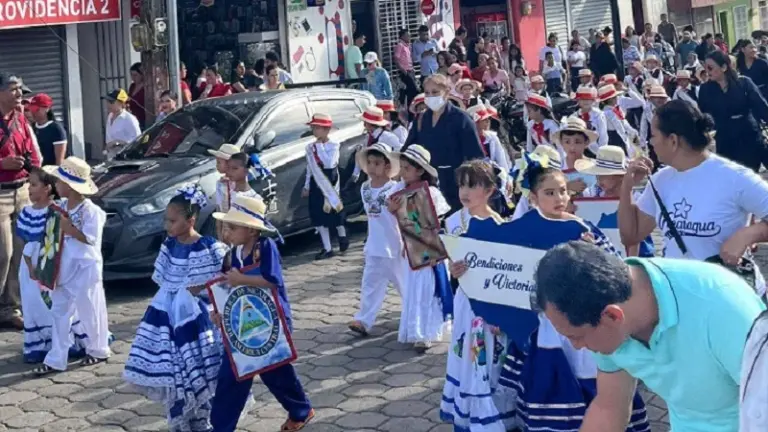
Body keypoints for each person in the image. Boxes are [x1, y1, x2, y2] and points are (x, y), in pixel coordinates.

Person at [455, 158, 650, 432]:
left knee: (590, 375)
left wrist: (592, 253)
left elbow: (615, 267)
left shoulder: (582, 228)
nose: (559, 198)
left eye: (563, 190)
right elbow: (498, 272)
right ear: (533, 198)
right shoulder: (522, 229)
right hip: (548, 327)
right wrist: (466, 268)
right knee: (550, 379)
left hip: (585, 321)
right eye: (550, 192)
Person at [535, 241, 765, 431]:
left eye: (577, 336)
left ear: (612, 316)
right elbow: (609, 407)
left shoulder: (724, 309)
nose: (577, 347)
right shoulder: (602, 307)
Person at [618, 99, 768, 293]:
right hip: (681, 296)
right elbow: (631, 235)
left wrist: (749, 234)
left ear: (673, 140)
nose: (650, 142)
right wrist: (626, 187)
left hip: (730, 296)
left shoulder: (734, 177)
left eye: (653, 135)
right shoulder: (661, 180)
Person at [123, 183, 226, 430]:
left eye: (172, 221)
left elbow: (214, 282)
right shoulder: (169, 246)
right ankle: (181, 419)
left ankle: (206, 419)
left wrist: (195, 296)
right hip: (167, 319)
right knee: (174, 369)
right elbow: (164, 280)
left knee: (198, 366)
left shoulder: (208, 246)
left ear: (190, 220)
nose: (167, 226)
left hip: (196, 320)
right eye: (166, 221)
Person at [209, 195, 314, 432]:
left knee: (275, 373)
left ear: (252, 231)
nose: (228, 232)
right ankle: (221, 427)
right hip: (240, 327)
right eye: (227, 227)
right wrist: (218, 314)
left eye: (233, 227)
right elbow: (223, 289)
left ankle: (301, 410)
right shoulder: (230, 256)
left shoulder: (265, 248)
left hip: (271, 322)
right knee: (233, 375)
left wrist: (242, 279)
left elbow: (273, 281)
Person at [439, 160, 513, 431]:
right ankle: (469, 413)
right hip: (465, 302)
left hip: (489, 305)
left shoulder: (500, 225)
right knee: (465, 353)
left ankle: (492, 416)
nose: (465, 191)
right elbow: (451, 263)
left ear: (490, 190)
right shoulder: (452, 221)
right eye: (461, 184)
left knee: (489, 357)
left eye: (473, 185)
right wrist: (454, 270)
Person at [34, 157, 110, 375]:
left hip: (84, 267)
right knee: (59, 311)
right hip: (62, 266)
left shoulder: (91, 211)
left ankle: (98, 348)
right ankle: (57, 357)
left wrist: (69, 228)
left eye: (59, 182)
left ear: (70, 185)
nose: (56, 185)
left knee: (89, 307)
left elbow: (91, 238)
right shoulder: (59, 207)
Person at [387, 145, 452, 352]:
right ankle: (416, 329)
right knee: (415, 288)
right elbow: (395, 216)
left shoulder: (431, 192)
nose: (403, 172)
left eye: (407, 168)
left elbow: (437, 220)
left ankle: (429, 332)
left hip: (430, 247)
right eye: (402, 167)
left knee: (429, 288)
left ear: (420, 170)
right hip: (411, 247)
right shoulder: (397, 191)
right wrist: (393, 210)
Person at [18, 168, 85, 363]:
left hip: (53, 262)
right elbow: (24, 242)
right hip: (30, 265)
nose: (29, 189)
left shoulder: (57, 211)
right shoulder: (26, 212)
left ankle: (65, 340)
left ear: (48, 188)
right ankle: (39, 343)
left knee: (56, 302)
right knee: (33, 302)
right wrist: (30, 267)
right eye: (28, 184)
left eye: (34, 184)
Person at [403, 74, 484, 211]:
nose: (430, 96)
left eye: (435, 92)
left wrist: (469, 185)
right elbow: (408, 149)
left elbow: (475, 156)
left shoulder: (461, 119)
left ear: (446, 92)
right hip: (427, 185)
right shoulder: (421, 119)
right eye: (427, 93)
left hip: (455, 185)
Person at [347, 143, 403, 336]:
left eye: (377, 163)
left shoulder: (395, 189)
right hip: (374, 245)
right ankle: (364, 320)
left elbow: (403, 218)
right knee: (370, 284)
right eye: (369, 163)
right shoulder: (365, 188)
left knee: (405, 285)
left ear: (388, 166)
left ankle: (417, 318)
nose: (372, 167)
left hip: (395, 246)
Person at [0, 73, 39, 331]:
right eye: (13, 89)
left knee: (21, 253)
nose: (19, 94)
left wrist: (35, 170)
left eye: (19, 90)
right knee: (3, 253)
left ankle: (10, 308)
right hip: (0, 193)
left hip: (22, 191)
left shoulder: (22, 119)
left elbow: (35, 153)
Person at [575, 147, 655, 257]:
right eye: (598, 175)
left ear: (620, 176)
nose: (599, 179)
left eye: (604, 175)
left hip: (640, 254)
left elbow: (635, 236)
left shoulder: (636, 198)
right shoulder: (593, 193)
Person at [698, 51, 768, 172]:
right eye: (705, 67)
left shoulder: (744, 83)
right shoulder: (705, 89)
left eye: (710, 67)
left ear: (724, 67)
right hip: (725, 137)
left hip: (748, 133)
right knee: (730, 175)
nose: (707, 71)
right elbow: (704, 115)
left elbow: (762, 107)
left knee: (750, 174)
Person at [302, 114, 349, 259]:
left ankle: (343, 237)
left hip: (330, 183)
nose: (314, 131)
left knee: (335, 211)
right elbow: (310, 168)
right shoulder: (310, 147)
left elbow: (329, 164)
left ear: (327, 130)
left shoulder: (334, 145)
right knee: (319, 216)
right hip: (317, 184)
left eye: (317, 128)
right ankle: (327, 248)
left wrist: (320, 147)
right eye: (313, 128)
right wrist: (307, 186)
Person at [352, 106, 402, 181]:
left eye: (365, 123)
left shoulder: (388, 137)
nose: (364, 125)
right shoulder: (368, 137)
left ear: (370, 124)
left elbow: (399, 151)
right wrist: (356, 173)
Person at [598, 84, 643, 156]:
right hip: (617, 139)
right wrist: (630, 140)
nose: (617, 98)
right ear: (610, 99)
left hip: (616, 138)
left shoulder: (612, 110)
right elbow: (620, 128)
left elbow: (623, 123)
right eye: (615, 97)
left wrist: (633, 133)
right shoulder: (609, 113)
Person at [468, 104, 510, 173]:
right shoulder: (468, 139)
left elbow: (501, 159)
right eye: (484, 119)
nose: (488, 121)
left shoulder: (492, 137)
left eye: (488, 119)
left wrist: (507, 178)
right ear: (475, 123)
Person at [27, 93, 67, 166]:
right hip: (36, 171)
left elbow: (59, 160)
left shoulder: (56, 129)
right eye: (31, 109)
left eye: (36, 109)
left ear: (47, 109)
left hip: (50, 172)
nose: (33, 112)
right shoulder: (31, 127)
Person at [103, 89, 141, 160]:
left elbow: (137, 140)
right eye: (107, 101)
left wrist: (117, 142)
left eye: (111, 102)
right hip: (112, 157)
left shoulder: (129, 119)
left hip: (126, 158)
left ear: (121, 103)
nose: (108, 104)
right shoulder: (110, 116)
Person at [570, 85, 608, 155]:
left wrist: (602, 152)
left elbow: (603, 135)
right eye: (582, 99)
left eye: (588, 99)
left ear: (593, 100)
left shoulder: (598, 115)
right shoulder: (574, 116)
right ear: (578, 100)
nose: (586, 101)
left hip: (595, 150)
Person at [394, 28, 418, 106]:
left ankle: (410, 110)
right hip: (405, 71)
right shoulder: (400, 45)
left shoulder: (407, 46)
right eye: (407, 36)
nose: (409, 37)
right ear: (402, 37)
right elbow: (396, 59)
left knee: (411, 92)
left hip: (410, 71)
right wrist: (403, 70)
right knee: (414, 90)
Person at [128, 62, 147, 129]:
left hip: (143, 120)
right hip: (133, 119)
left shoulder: (146, 88)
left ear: (142, 75)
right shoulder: (132, 86)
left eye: (135, 75)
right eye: (131, 75)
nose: (133, 78)